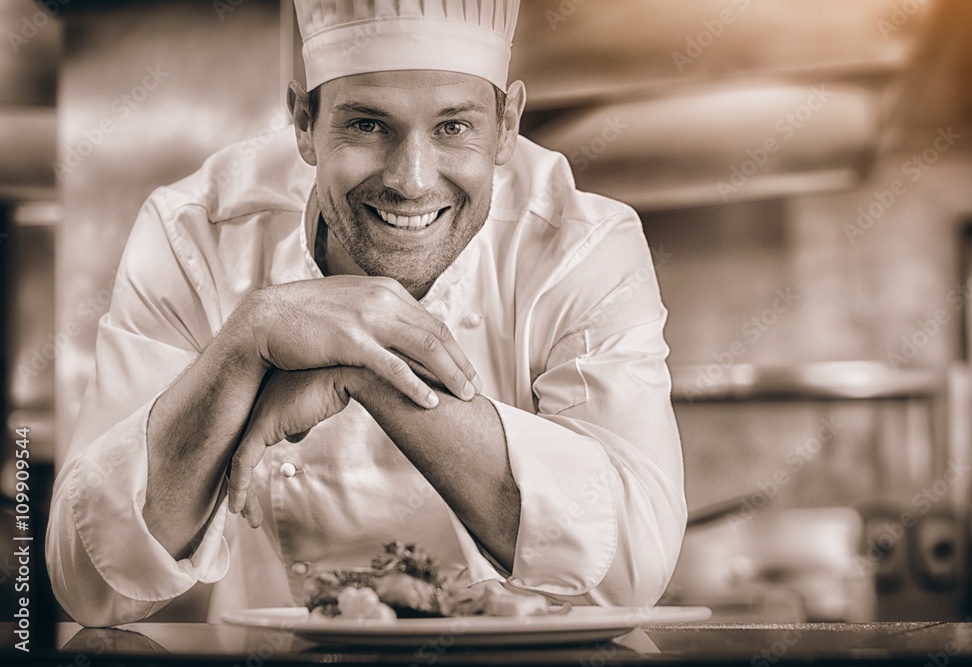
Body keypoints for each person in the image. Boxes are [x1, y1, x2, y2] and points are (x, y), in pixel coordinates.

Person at [46, 0, 686, 627]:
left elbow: (629, 571)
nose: (411, 179)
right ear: (303, 121)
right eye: (367, 124)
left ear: (508, 124)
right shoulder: (197, 233)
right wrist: (246, 342)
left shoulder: (581, 244)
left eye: (453, 126)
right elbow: (91, 586)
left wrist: (372, 374)